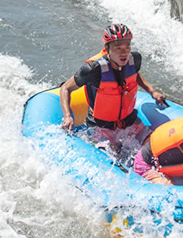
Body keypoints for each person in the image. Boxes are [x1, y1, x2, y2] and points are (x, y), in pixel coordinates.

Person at [59, 23, 167, 154]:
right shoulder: (94, 70)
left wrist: (152, 91)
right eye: (118, 48)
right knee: (112, 162)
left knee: (156, 149)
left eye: (127, 47)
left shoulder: (134, 60)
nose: (124, 52)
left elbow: (134, 74)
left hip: (130, 123)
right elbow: (65, 88)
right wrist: (68, 116)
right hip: (100, 127)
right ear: (107, 48)